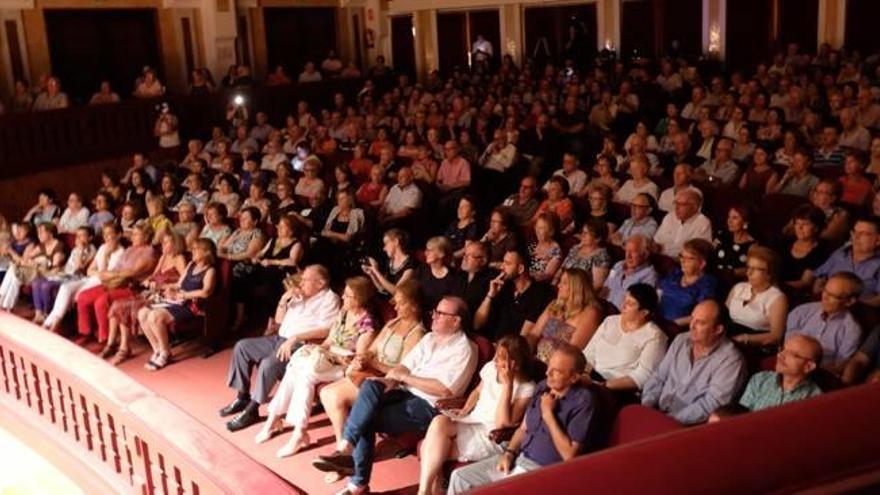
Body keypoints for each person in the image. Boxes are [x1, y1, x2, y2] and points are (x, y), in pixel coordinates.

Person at [311, 297, 478, 495]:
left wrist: (405, 377)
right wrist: (389, 380)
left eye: (440, 313)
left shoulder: (465, 348)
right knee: (371, 385)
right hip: (403, 390)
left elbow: (445, 390)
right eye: (435, 311)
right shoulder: (429, 338)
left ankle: (357, 484)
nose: (433, 316)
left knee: (366, 416)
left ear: (456, 321)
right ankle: (346, 448)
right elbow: (403, 366)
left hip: (428, 405)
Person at [446, 344, 595, 494]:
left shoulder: (583, 401)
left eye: (556, 371)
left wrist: (548, 414)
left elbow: (569, 455)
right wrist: (509, 453)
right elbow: (523, 428)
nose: (547, 373)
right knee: (460, 477)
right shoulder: (543, 387)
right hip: (518, 459)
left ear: (574, 377)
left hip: (542, 471)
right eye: (549, 367)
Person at [257, 277, 376, 457]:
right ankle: (275, 419)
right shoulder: (344, 313)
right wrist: (316, 349)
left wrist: (330, 354)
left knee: (308, 374)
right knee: (294, 367)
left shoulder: (367, 325)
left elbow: (358, 359)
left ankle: (298, 432)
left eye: (348, 296)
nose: (343, 297)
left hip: (343, 366)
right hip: (327, 361)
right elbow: (328, 341)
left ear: (359, 299)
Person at [221, 265, 341, 432]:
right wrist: (284, 299)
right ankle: (242, 396)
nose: (301, 282)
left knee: (269, 364)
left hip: (302, 344)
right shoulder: (300, 295)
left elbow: (327, 330)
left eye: (306, 279)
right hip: (280, 338)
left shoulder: (330, 299)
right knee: (242, 347)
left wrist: (296, 337)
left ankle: (253, 409)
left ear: (320, 283)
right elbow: (278, 320)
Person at [319, 279, 426, 458]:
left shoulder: (418, 333)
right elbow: (372, 350)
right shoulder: (393, 323)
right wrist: (362, 358)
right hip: (371, 373)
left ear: (413, 305)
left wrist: (373, 363)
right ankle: (343, 451)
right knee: (326, 393)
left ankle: (344, 453)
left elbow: (402, 370)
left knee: (332, 396)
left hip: (391, 384)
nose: (394, 306)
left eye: (399, 302)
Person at [418, 335, 535, 495]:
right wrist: (466, 409)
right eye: (496, 355)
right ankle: (425, 491)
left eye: (500, 358)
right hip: (472, 420)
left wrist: (508, 384)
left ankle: (429, 491)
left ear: (514, 363)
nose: (495, 361)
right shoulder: (490, 369)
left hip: (492, 434)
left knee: (428, 446)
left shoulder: (526, 387)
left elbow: (502, 423)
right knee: (439, 421)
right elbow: (477, 391)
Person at [641, 300, 747, 425]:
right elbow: (659, 376)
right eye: (692, 319)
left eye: (700, 323)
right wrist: (647, 407)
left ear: (718, 329)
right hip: (657, 412)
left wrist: (670, 421)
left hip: (687, 425)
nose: (691, 326)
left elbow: (712, 404)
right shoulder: (681, 340)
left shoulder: (731, 359)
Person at [137, 239, 217, 370]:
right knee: (142, 313)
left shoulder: (210, 271)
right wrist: (165, 287)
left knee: (155, 317)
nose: (193, 251)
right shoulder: (191, 265)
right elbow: (179, 284)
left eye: (197, 249)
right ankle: (157, 350)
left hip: (192, 305)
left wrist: (182, 295)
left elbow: (206, 292)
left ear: (207, 252)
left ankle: (165, 352)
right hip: (177, 301)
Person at [73, 223, 157, 345]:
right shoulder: (129, 250)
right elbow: (113, 270)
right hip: (115, 283)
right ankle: (86, 333)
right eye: (132, 234)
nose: (132, 237)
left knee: (101, 302)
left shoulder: (149, 252)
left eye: (136, 234)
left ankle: (104, 339)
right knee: (83, 297)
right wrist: (111, 274)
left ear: (146, 236)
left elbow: (132, 273)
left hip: (132, 288)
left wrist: (111, 274)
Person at [583, 284, 668, 393]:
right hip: (590, 377)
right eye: (624, 299)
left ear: (644, 312)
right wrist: (584, 375)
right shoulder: (610, 321)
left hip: (617, 389)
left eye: (630, 303)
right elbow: (588, 353)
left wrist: (603, 385)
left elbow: (643, 376)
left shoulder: (655, 336)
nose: (623, 305)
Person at [42, 223, 124, 332]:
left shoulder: (121, 252)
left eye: (110, 234)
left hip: (103, 283)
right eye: (105, 234)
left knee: (76, 294)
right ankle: (50, 322)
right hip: (92, 278)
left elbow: (105, 276)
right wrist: (98, 271)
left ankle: (56, 325)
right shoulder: (102, 247)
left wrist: (105, 257)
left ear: (118, 235)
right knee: (66, 287)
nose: (107, 237)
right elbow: (90, 270)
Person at [785, 272, 863, 373]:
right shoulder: (801, 312)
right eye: (825, 291)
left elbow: (839, 366)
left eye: (832, 295)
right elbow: (786, 347)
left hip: (819, 374)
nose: (824, 297)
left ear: (849, 301)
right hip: (788, 364)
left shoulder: (852, 330)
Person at [526, 268, 603, 364]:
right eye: (559, 282)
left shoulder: (590, 312)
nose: (558, 285)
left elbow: (573, 350)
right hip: (536, 360)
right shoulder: (554, 305)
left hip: (561, 365)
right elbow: (533, 334)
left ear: (577, 287)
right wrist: (525, 355)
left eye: (564, 283)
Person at [739, 334, 823, 412]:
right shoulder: (759, 379)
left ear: (808, 366)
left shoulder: (815, 398)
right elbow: (740, 417)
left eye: (793, 354)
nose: (780, 355)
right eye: (783, 349)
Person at [30, 226, 95, 325]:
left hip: (75, 278)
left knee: (46, 286)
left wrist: (80, 250)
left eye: (82, 235)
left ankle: (48, 314)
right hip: (65, 274)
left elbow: (79, 267)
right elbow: (69, 265)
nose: (79, 238)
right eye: (77, 236)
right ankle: (39, 313)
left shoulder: (91, 249)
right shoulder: (76, 249)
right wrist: (59, 270)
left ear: (90, 237)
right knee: (36, 283)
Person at [808, 216, 880, 305]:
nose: (856, 237)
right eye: (854, 232)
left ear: (878, 240)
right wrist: (818, 286)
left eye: (863, 233)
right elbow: (821, 276)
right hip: (824, 304)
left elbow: (878, 300)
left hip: (860, 312)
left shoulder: (877, 265)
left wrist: (852, 304)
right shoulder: (840, 253)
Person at [726, 246, 788, 349]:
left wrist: (745, 338)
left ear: (769, 273)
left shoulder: (777, 298)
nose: (748, 273)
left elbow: (776, 336)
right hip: (728, 336)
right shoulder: (738, 287)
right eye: (748, 267)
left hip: (752, 345)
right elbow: (723, 315)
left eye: (755, 269)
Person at [0, 222, 67, 311]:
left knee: (16, 273)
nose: (39, 235)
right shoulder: (41, 245)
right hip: (35, 270)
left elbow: (54, 266)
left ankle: (5, 304)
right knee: (14, 270)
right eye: (38, 232)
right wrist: (32, 262)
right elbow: (26, 259)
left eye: (41, 232)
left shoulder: (59, 245)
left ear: (50, 233)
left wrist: (37, 262)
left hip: (47, 274)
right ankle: (5, 304)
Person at [657, 238, 717, 325]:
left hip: (678, 327)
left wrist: (672, 325)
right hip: (657, 321)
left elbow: (700, 315)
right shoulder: (675, 273)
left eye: (689, 258)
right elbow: (658, 294)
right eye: (681, 256)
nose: (682, 261)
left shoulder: (707, 284)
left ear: (702, 264)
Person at [602, 235, 658, 310]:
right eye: (626, 251)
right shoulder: (618, 265)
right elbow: (605, 289)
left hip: (619, 315)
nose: (628, 256)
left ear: (645, 255)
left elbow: (638, 306)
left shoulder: (649, 275)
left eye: (633, 252)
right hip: (603, 308)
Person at [653, 189, 712, 258]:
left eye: (681, 204)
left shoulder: (702, 222)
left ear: (695, 207)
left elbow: (700, 252)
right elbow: (657, 241)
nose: (676, 208)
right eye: (676, 203)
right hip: (661, 259)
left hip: (682, 262)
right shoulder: (669, 217)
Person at [558, 219, 611, 289]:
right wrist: (554, 283)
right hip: (562, 287)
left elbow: (596, 285)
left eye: (587, 233)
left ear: (598, 239)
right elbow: (562, 269)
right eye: (582, 232)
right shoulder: (575, 249)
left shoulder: (601, 257)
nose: (582, 235)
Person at [528, 212, 562, 283]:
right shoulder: (533, 243)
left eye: (541, 228)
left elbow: (547, 275)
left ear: (551, 231)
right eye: (536, 226)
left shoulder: (555, 251)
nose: (537, 230)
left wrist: (526, 275)